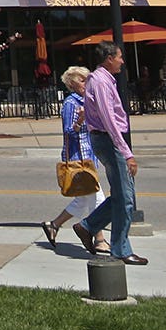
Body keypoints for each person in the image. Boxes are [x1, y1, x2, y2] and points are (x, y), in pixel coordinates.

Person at [76, 42, 147, 266]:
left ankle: (87, 226)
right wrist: (127, 153)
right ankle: (120, 250)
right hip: (109, 141)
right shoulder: (101, 82)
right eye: (119, 57)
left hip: (105, 140)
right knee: (126, 197)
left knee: (120, 195)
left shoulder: (100, 80)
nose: (122, 61)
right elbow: (108, 119)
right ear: (108, 58)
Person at [43, 64, 107, 252]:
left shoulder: (87, 101)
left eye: (87, 79)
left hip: (89, 156)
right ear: (72, 83)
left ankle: (53, 225)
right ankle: (100, 239)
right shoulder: (71, 103)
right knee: (98, 199)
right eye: (82, 79)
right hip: (78, 157)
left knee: (83, 200)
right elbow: (68, 132)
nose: (86, 83)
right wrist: (79, 121)